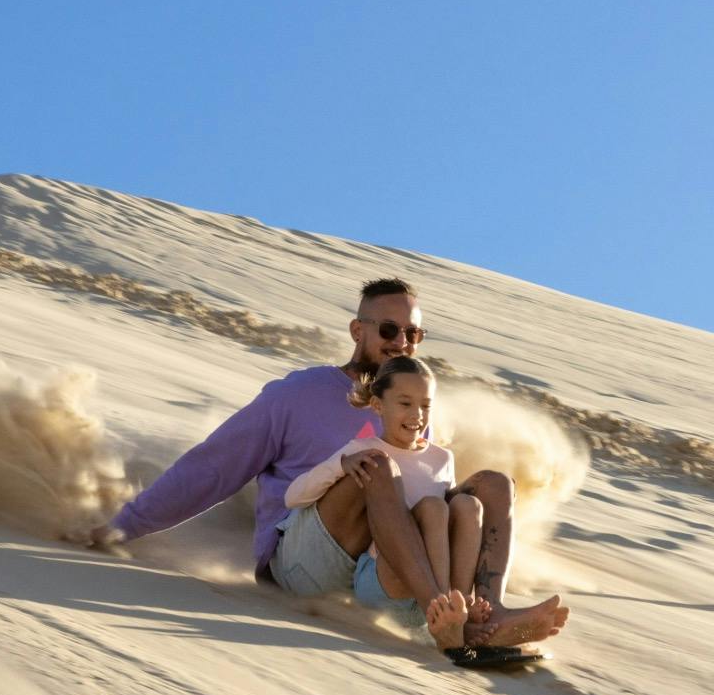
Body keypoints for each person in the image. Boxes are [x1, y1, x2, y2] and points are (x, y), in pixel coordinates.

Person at [73, 277, 567, 653]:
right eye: (389, 329)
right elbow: (214, 467)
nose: (401, 343)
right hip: (301, 561)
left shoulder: (409, 408)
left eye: (412, 333)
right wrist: (123, 526)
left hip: (377, 563)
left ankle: (484, 614)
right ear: (358, 330)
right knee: (376, 466)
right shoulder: (297, 395)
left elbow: (424, 499)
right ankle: (444, 615)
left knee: (491, 485)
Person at [284, 356, 489, 648]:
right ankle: (444, 611)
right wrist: (342, 465)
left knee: (466, 506)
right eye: (405, 404)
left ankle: (457, 605)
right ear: (378, 406)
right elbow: (293, 497)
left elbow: (445, 527)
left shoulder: (443, 459)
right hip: (383, 569)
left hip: (424, 581)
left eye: (426, 405)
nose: (417, 414)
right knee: (432, 507)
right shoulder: (364, 450)